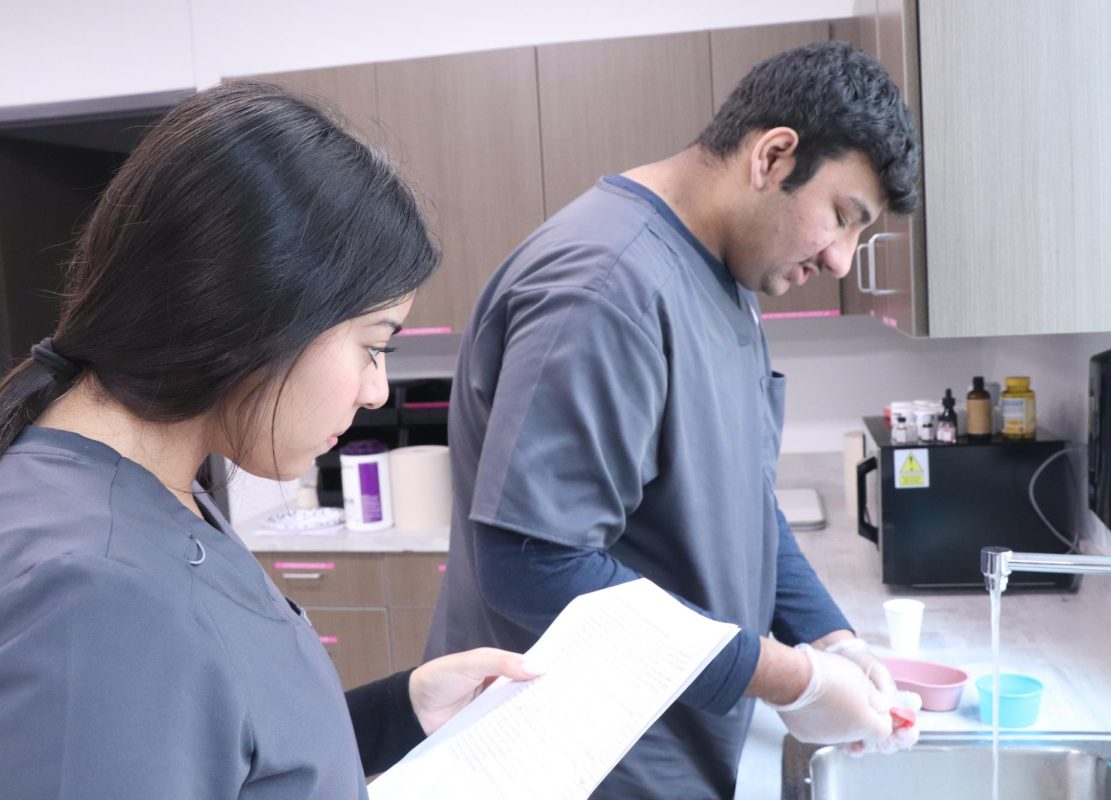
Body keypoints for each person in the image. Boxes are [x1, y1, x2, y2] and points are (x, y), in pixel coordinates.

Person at [0, 81, 541, 799]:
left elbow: (215, 747)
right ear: (259, 311)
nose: (376, 389)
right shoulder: (96, 594)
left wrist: (401, 710)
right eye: (372, 345)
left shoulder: (157, 490)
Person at [424, 40, 922, 798]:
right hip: (575, 764)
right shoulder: (606, 286)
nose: (844, 262)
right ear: (774, 156)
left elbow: (742, 502)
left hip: (668, 743)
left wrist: (831, 639)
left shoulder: (728, 282)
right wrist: (794, 680)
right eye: (843, 218)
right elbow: (531, 564)